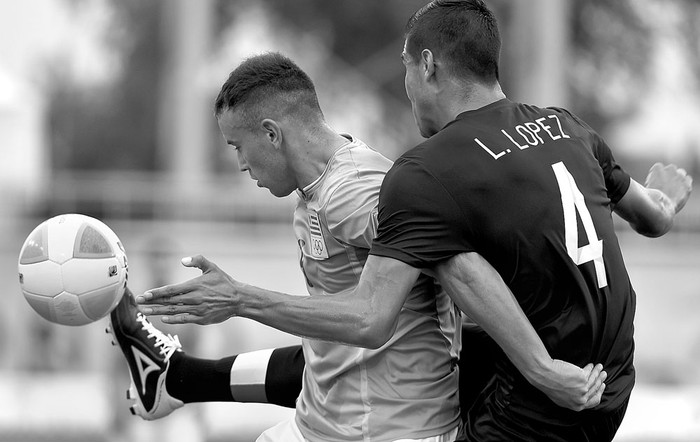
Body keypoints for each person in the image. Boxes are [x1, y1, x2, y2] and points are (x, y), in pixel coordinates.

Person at [138, 1, 693, 441]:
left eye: (405, 68)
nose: (406, 94)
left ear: (427, 64)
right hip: (613, 382)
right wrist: (666, 200)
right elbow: (652, 219)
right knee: (351, 363)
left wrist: (239, 298)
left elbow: (394, 305)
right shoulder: (567, 127)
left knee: (390, 352)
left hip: (535, 405)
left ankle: (181, 379)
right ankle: (180, 378)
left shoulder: (426, 172)